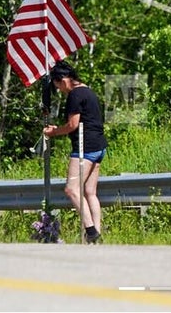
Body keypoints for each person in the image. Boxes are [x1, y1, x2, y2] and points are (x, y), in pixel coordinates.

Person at [43, 60, 107, 244]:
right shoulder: (88, 91)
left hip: (84, 148)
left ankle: (91, 231)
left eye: (58, 86)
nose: (60, 91)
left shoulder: (75, 95)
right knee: (89, 192)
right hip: (99, 146)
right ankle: (97, 236)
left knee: (71, 190)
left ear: (63, 80)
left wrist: (54, 132)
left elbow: (72, 125)